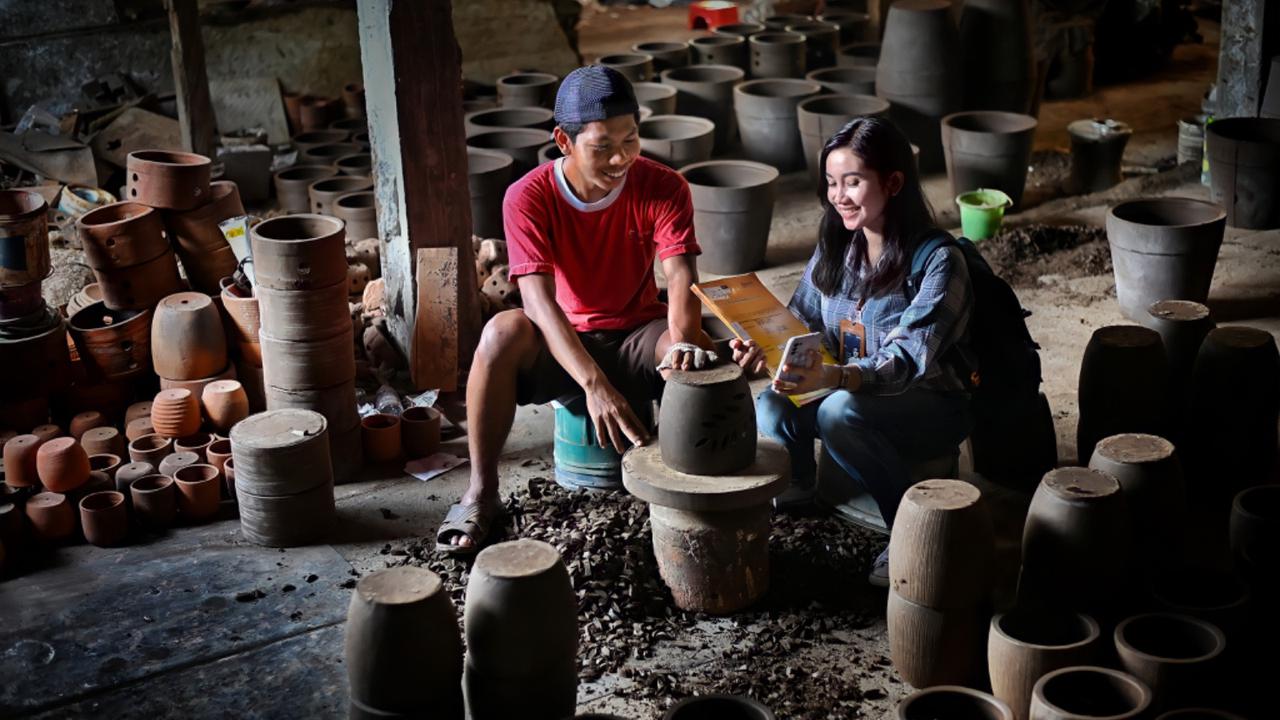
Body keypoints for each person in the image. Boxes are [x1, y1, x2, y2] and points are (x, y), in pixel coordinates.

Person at [436, 65, 715, 554]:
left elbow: (681, 277)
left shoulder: (664, 185)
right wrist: (593, 384)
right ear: (564, 141)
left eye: (631, 140)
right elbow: (539, 304)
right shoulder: (528, 197)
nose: (621, 158)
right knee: (502, 331)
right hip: (563, 342)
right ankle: (481, 491)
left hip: (636, 334)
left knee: (695, 350)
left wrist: (685, 340)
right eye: (602, 146)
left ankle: (686, 492)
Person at [731, 116, 974, 586]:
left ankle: (909, 528)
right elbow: (801, 324)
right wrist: (764, 347)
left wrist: (835, 377)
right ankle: (800, 495)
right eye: (831, 183)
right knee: (774, 404)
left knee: (838, 412)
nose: (838, 196)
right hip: (849, 389)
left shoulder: (939, 261)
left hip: (933, 404)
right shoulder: (836, 249)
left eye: (853, 182)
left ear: (894, 182)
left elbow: (906, 362)